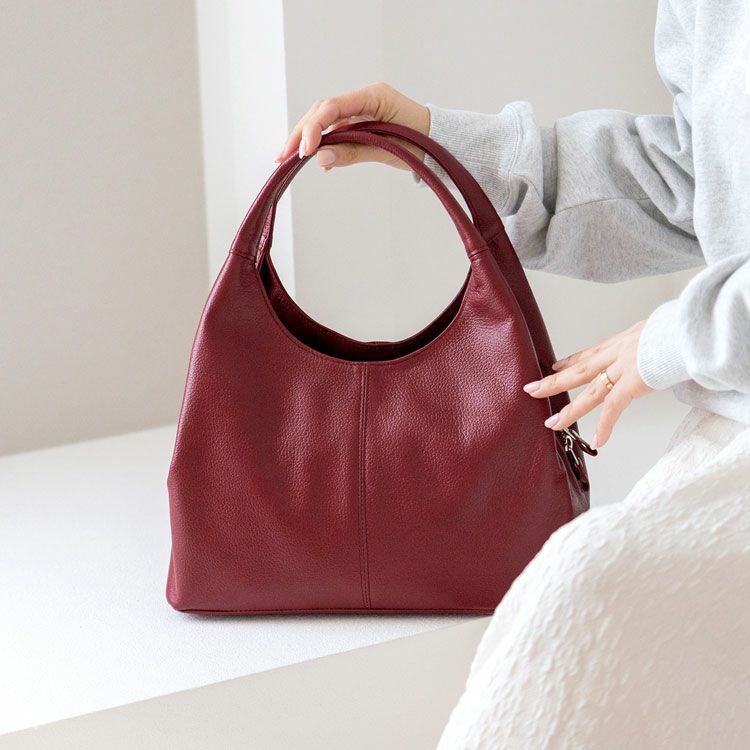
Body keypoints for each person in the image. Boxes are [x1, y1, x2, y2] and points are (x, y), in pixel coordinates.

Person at [278, 1, 750, 746]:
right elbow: (699, 176)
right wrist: (437, 141)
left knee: (584, 601)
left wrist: (673, 338)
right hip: (732, 414)